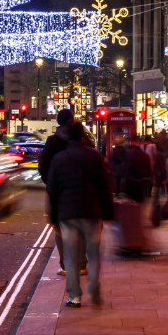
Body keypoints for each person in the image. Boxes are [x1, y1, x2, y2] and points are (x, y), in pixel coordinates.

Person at [47, 122, 114, 308]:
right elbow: (106, 186)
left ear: (68, 136)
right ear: (83, 136)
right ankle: (93, 289)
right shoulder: (95, 156)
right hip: (92, 212)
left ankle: (75, 297)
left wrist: (53, 218)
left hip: (68, 214)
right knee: (93, 253)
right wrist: (108, 212)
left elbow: (52, 190)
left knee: (71, 256)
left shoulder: (59, 159)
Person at [38, 108, 80, 276]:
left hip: (58, 192)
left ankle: (65, 264)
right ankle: (81, 263)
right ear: (72, 121)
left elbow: (43, 167)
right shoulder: (80, 139)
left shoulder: (52, 142)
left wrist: (50, 184)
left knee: (60, 228)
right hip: (78, 190)